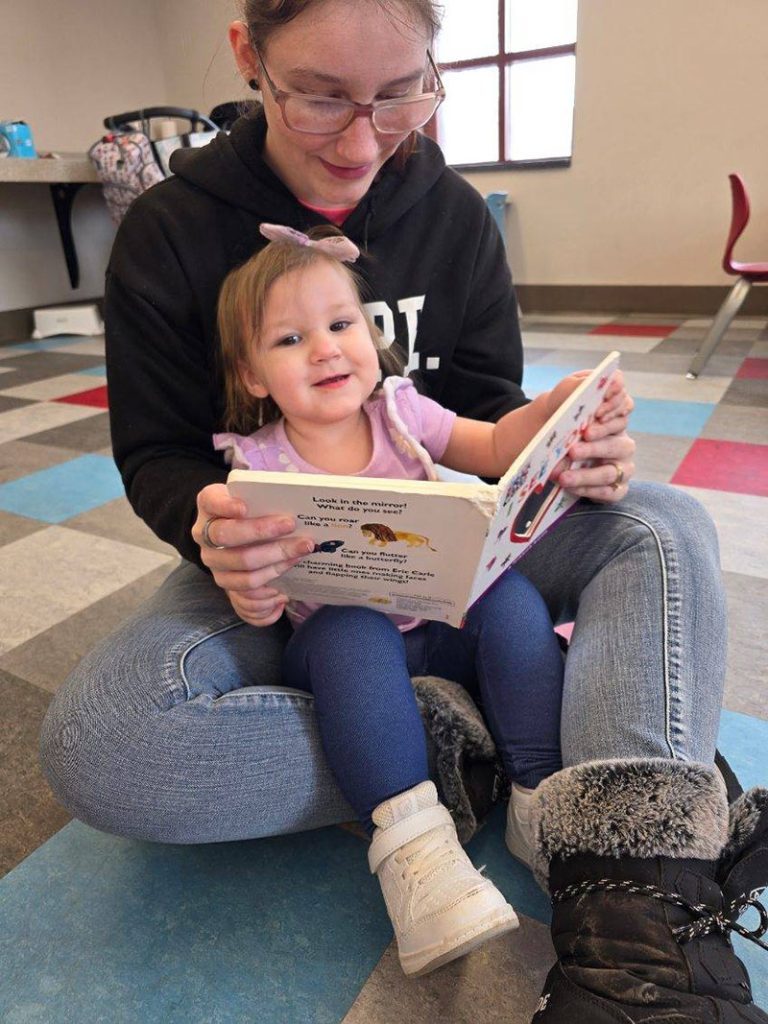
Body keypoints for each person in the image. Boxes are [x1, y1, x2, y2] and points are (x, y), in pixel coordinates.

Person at [39, 0, 767, 1018]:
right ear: (249, 57)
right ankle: (539, 742)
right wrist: (214, 527)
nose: (366, 136)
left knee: (663, 524)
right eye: (323, 97)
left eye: (402, 94)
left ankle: (632, 920)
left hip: (448, 545)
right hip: (280, 571)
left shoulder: (452, 217)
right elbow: (158, 451)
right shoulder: (169, 231)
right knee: (104, 745)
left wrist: (567, 439)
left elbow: (487, 413)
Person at [210, 221, 623, 975]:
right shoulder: (254, 464)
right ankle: (417, 856)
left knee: (511, 600)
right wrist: (254, 597)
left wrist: (557, 408)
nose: (328, 348)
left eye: (342, 324)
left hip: (444, 616)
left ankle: (539, 799)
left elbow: (497, 447)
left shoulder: (400, 411)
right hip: (347, 644)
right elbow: (256, 592)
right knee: (347, 634)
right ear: (253, 377)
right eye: (290, 340)